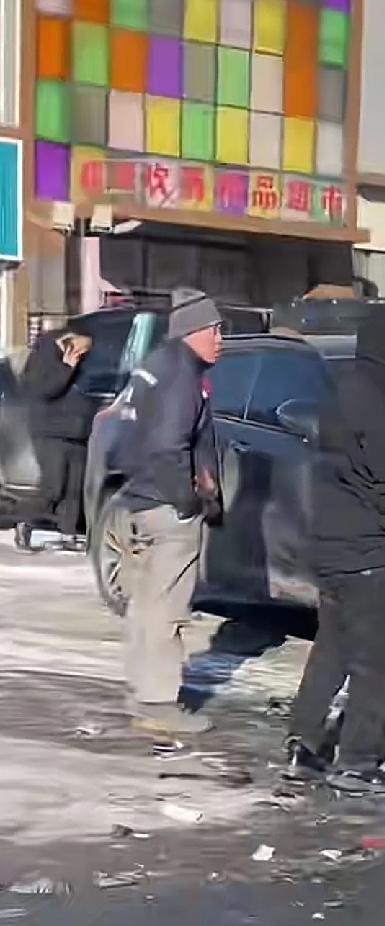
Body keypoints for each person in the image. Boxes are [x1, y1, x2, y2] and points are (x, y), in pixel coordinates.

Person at [288, 306, 385, 794]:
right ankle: (357, 763)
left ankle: (303, 745)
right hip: (371, 554)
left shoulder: (339, 394)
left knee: (331, 650)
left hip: (330, 548)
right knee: (372, 662)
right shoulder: (383, 407)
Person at [119, 288, 222, 738]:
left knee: (147, 601)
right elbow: (169, 444)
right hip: (166, 505)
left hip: (141, 497)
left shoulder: (156, 364)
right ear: (192, 330)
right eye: (214, 330)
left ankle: (142, 688)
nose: (220, 339)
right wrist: (187, 500)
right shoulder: (182, 374)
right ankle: (158, 703)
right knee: (167, 606)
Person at [19, 328, 95, 550]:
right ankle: (25, 522)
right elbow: (45, 390)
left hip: (76, 432)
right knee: (53, 487)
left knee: (74, 488)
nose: (82, 355)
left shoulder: (81, 365)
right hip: (51, 433)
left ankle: (68, 534)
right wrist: (66, 367)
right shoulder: (44, 359)